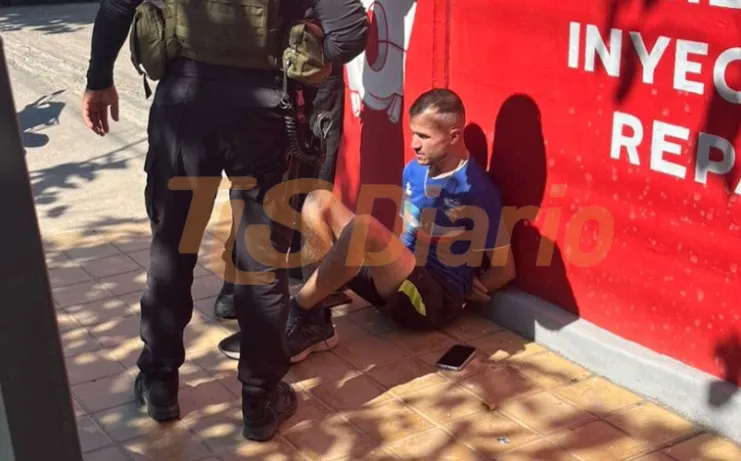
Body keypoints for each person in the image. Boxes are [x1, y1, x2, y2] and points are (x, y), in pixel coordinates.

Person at [81, 0, 369, 442]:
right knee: (261, 264)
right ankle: (260, 400)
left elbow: (118, 6)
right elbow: (349, 31)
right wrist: (311, 59)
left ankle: (160, 385)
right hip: (264, 112)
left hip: (184, 107)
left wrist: (98, 80)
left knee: (172, 253)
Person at [217, 88, 517, 363]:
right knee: (319, 200)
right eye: (413, 133)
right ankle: (315, 320)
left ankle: (296, 311)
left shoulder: (478, 190)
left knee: (364, 227)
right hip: (400, 280)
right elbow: (406, 233)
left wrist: (472, 290)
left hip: (432, 303)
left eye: (424, 136)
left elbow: (505, 269)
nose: (414, 144)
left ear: (453, 136)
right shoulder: (414, 170)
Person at [213, 56, 352, 322]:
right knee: (275, 182)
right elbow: (347, 38)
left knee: (263, 182)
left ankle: (298, 286)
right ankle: (305, 303)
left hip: (270, 71)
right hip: (300, 67)